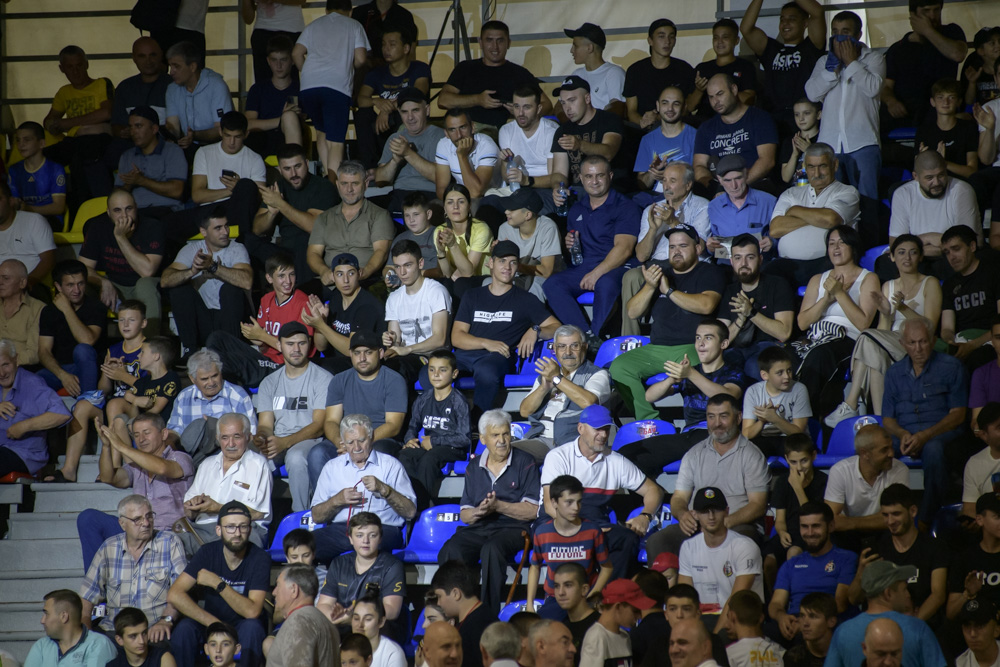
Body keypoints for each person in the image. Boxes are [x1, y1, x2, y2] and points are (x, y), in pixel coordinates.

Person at [610, 225, 726, 420]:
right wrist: (650, 286)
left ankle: (700, 422)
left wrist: (669, 292)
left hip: (692, 347)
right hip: (656, 349)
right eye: (672, 247)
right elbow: (632, 312)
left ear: (698, 248)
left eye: (683, 246)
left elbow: (706, 305)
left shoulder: (709, 272)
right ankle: (648, 421)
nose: (676, 251)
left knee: (705, 367)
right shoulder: (661, 273)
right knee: (619, 367)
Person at [826, 235, 943, 425]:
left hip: (916, 343)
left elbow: (929, 328)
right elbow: (882, 331)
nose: (907, 257)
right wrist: (887, 313)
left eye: (913, 252)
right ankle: (882, 419)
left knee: (866, 336)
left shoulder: (930, 283)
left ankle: (851, 402)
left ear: (921, 256)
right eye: (901, 252)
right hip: (891, 343)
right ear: (893, 257)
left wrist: (903, 308)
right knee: (873, 353)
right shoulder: (888, 285)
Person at [540, 404, 664, 578]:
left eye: (606, 429)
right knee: (580, 543)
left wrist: (645, 516)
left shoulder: (615, 461)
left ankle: (610, 592)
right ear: (581, 428)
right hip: (558, 521)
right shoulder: (559, 456)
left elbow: (653, 490)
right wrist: (586, 529)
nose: (604, 435)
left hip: (596, 522)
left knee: (626, 539)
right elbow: (549, 506)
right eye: (597, 429)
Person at [438, 409, 540, 611]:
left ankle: (487, 612)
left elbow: (532, 510)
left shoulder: (525, 462)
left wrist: (498, 506)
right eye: (495, 435)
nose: (502, 440)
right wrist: (478, 511)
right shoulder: (473, 466)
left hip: (514, 528)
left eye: (505, 434)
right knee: (451, 549)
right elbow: (465, 514)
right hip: (480, 525)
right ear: (483, 439)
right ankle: (455, 609)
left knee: (491, 549)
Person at [645, 395, 769, 561]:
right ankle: (672, 579)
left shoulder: (752, 456)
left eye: (723, 416)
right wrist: (682, 514)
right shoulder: (694, 454)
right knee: (658, 541)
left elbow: (758, 505)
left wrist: (724, 523)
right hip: (698, 526)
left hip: (738, 526)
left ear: (738, 417)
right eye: (711, 417)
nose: (717, 423)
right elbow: (679, 498)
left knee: (740, 542)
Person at [620, 319, 746, 477]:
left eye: (708, 338)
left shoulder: (733, 372)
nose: (700, 343)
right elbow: (649, 396)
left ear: (724, 344)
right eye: (698, 337)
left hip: (718, 435)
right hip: (690, 435)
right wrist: (670, 380)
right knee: (629, 454)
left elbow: (727, 396)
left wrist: (691, 374)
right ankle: (654, 491)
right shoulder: (690, 372)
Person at [452, 241, 560, 414]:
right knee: (432, 370)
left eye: (513, 262)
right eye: (502, 261)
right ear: (491, 263)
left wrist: (536, 330)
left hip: (497, 359)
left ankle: (478, 422)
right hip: (466, 355)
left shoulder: (526, 299)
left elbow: (556, 327)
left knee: (486, 371)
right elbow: (457, 337)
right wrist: (486, 343)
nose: (507, 267)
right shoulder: (472, 296)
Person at [883, 317, 966, 523]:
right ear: (903, 344)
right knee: (876, 448)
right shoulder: (894, 373)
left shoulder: (952, 367)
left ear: (933, 340)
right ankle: (881, 514)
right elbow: (888, 419)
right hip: (905, 433)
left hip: (939, 432)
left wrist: (925, 435)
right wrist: (903, 434)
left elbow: (958, 414)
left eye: (923, 341)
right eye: (912, 343)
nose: (918, 349)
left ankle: (926, 519)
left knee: (933, 450)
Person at [167, 501, 271, 667]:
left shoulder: (259, 558)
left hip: (242, 625)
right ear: (218, 530)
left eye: (243, 527)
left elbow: (252, 611)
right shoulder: (208, 552)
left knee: (253, 628)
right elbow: (174, 594)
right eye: (230, 527)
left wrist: (218, 583)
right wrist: (215, 624)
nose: (237, 533)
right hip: (211, 622)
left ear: (250, 530)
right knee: (184, 629)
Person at [545, 154, 636, 342]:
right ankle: (586, 336)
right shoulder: (577, 208)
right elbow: (575, 251)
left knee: (606, 283)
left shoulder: (625, 207)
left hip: (616, 266)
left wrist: (596, 274)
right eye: (588, 176)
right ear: (580, 178)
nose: (594, 181)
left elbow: (624, 249)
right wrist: (569, 245)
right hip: (584, 267)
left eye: (599, 176)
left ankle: (595, 334)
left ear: (610, 176)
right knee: (552, 284)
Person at [83, 410, 191, 567]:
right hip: (136, 530)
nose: (141, 439)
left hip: (167, 533)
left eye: (146, 433)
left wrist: (121, 446)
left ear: (163, 434)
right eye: (136, 435)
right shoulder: (136, 466)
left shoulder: (180, 458)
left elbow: (162, 468)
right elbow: (108, 477)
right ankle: (97, 579)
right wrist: (106, 446)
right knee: (89, 518)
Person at [790, 224, 877, 417]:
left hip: (848, 339)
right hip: (816, 336)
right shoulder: (817, 279)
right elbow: (802, 323)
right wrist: (825, 300)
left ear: (853, 247)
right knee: (785, 356)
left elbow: (863, 324)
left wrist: (839, 293)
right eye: (831, 243)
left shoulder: (868, 278)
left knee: (819, 357)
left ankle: (804, 417)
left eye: (842, 243)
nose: (836, 248)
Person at [309, 413, 417, 563]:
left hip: (381, 528)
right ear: (343, 443)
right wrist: (337, 500)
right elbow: (316, 516)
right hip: (342, 529)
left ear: (371, 438)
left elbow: (410, 512)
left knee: (364, 541)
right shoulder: (332, 467)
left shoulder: (391, 465)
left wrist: (385, 490)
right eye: (350, 442)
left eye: (361, 440)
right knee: (306, 544)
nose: (356, 447)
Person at [79, 494, 187, 639]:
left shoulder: (169, 542)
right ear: (122, 524)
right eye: (137, 519)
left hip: (154, 630)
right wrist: (85, 635)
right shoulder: (109, 547)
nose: (146, 523)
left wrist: (165, 620)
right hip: (115, 631)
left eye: (149, 516)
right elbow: (87, 596)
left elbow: (181, 591)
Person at [804, 11, 885, 203]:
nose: (839, 37)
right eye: (835, 32)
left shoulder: (874, 59)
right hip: (830, 143)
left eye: (845, 32)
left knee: (867, 201)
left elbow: (873, 88)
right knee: (831, 200)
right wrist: (832, 70)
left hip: (863, 142)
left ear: (858, 35)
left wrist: (851, 63)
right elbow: (812, 93)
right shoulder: (824, 61)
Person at [621, 163, 710, 335]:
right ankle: (631, 339)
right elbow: (641, 256)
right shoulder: (652, 209)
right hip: (657, 265)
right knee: (631, 276)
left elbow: (699, 246)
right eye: (664, 181)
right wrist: (653, 229)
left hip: (688, 264)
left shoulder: (702, 206)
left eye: (673, 181)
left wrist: (673, 222)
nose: (666, 186)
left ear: (688, 185)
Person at [254, 322, 332, 512]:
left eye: (301, 343)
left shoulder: (323, 378)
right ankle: (254, 517)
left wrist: (285, 442)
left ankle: (302, 516)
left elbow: (319, 425)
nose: (296, 349)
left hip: (309, 439)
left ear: (309, 344)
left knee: (296, 458)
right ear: (279, 345)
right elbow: (265, 424)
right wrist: (262, 438)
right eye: (290, 344)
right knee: (250, 456)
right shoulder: (269, 382)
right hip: (278, 439)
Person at [206, 252, 314, 388]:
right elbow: (263, 346)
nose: (288, 281)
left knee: (227, 361)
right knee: (217, 338)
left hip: (282, 365)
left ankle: (227, 389)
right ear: (269, 278)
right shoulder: (266, 299)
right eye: (281, 276)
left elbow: (299, 350)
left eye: (291, 274)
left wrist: (261, 336)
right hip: (265, 358)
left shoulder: (304, 303)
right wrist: (256, 338)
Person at [309, 333, 407, 476]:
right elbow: (331, 421)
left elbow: (393, 426)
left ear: (380, 353)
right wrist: (341, 442)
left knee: (379, 451)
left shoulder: (394, 380)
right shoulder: (339, 380)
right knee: (317, 453)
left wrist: (359, 444)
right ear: (350, 354)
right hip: (346, 439)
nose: (362, 358)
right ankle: (326, 492)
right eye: (357, 353)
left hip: (379, 439)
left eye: (368, 352)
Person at [848, 484, 947, 625]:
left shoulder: (934, 547)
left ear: (913, 511)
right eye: (885, 515)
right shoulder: (876, 549)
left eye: (896, 514)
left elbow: (938, 595)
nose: (890, 521)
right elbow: (854, 599)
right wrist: (860, 574)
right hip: (879, 629)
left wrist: (909, 626)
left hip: (919, 626)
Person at [766, 144, 861, 288]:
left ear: (834, 165)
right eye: (811, 167)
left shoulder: (847, 192)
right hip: (788, 264)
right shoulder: (790, 194)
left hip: (826, 262)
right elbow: (775, 228)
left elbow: (830, 219)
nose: (816, 174)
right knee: (767, 274)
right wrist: (818, 215)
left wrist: (794, 210)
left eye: (822, 166)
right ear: (805, 167)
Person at [293, 0, 369, 178]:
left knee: (321, 132)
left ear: (326, 10)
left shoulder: (313, 25)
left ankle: (328, 177)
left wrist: (309, 73)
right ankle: (333, 184)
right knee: (336, 141)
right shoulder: (354, 25)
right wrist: (347, 67)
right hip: (336, 87)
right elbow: (361, 59)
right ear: (350, 11)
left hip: (309, 87)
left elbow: (296, 53)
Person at [161, 207, 253, 355]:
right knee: (179, 290)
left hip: (231, 321)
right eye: (218, 228)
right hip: (204, 321)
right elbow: (165, 280)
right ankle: (189, 350)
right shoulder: (191, 249)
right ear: (203, 231)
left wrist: (213, 267)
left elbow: (246, 281)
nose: (225, 232)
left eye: (226, 226)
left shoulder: (237, 248)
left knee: (230, 289)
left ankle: (232, 352)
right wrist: (192, 272)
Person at [516, 324, 611, 463]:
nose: (568, 352)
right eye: (562, 346)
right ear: (554, 350)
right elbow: (525, 411)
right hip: (542, 439)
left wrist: (557, 379)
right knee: (505, 454)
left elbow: (589, 403)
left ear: (584, 347)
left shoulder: (597, 374)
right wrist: (543, 388)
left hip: (574, 442)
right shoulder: (547, 374)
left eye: (574, 346)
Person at [168, 110, 266, 244]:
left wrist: (241, 188)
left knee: (247, 186)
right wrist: (233, 190)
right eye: (227, 135)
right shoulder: (204, 152)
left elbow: (259, 197)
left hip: (238, 209)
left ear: (246, 134)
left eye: (237, 137)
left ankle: (244, 243)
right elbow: (197, 195)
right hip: (210, 210)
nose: (232, 142)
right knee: (170, 222)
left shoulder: (255, 159)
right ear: (220, 132)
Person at [825, 561, 946, 667]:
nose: (908, 595)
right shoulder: (918, 628)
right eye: (904, 589)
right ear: (888, 593)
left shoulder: (843, 631)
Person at [79, 190, 165, 335]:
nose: (124, 216)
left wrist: (120, 237)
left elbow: (147, 272)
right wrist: (103, 282)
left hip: (146, 285)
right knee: (81, 285)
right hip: (114, 284)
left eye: (129, 209)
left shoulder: (152, 226)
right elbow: (83, 268)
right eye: (117, 210)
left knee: (144, 284)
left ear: (136, 208)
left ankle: (149, 344)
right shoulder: (97, 226)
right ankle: (88, 340)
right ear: (108, 212)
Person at [438, 20, 552, 130]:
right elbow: (443, 101)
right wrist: (478, 99)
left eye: (500, 41)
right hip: (466, 133)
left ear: (508, 43)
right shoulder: (465, 68)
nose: (495, 47)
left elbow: (546, 104)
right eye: (489, 40)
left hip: (503, 134)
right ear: (480, 42)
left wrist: (522, 113)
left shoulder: (520, 73)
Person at [677, 487, 765, 629]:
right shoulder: (688, 547)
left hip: (738, 620)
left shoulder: (744, 546)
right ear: (695, 514)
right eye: (705, 511)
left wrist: (716, 636)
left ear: (727, 511)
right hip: (702, 618)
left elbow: (736, 600)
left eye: (716, 510)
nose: (711, 516)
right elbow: (686, 598)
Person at [250, 143, 339, 283]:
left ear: (307, 164)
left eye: (298, 166)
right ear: (280, 169)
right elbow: (257, 229)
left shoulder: (323, 187)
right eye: (287, 169)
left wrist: (280, 204)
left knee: (303, 240)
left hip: (314, 249)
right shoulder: (278, 188)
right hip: (285, 252)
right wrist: (271, 214)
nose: (293, 174)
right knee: (247, 239)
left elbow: (314, 226)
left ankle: (303, 291)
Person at [526, 474, 612, 618]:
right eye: (569, 502)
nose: (576, 508)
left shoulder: (592, 530)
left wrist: (593, 595)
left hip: (586, 597)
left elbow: (607, 567)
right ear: (554, 502)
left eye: (579, 502)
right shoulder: (542, 533)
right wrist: (529, 605)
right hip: (556, 598)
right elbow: (535, 567)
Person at [181, 414, 271, 550]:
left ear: (248, 437)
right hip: (203, 530)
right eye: (225, 438)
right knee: (173, 541)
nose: (231, 444)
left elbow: (259, 513)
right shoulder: (207, 464)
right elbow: (189, 512)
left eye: (237, 437)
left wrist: (217, 508)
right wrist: (193, 506)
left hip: (242, 529)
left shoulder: (258, 464)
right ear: (217, 439)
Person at [768, 502, 856, 640]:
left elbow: (840, 604)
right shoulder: (791, 564)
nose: (809, 533)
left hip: (828, 623)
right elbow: (776, 603)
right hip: (794, 621)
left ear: (830, 526)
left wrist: (805, 623)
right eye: (804, 526)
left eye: (816, 526)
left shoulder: (846, 559)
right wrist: (782, 617)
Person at [42, 46, 114, 210]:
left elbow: (106, 113)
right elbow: (48, 121)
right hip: (74, 142)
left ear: (87, 64)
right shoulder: (64, 92)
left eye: (79, 65)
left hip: (96, 141)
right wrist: (54, 125)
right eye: (70, 67)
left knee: (80, 158)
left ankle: (86, 208)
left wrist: (67, 123)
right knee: (41, 157)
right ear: (62, 69)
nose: (75, 71)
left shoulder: (101, 83)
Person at [739, 0, 827, 134]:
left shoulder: (811, 47)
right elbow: (746, 29)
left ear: (805, 23)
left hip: (802, 118)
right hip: (772, 118)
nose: (785, 23)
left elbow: (817, 12)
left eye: (792, 19)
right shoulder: (771, 49)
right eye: (782, 19)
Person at [476, 85, 559, 225]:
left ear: (538, 108)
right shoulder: (506, 130)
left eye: (527, 107)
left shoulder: (551, 131)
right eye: (516, 107)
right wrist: (505, 162)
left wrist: (527, 180)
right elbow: (506, 177)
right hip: (516, 189)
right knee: (488, 205)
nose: (520, 113)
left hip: (543, 189)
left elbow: (555, 177)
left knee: (533, 210)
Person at [881, 0, 968, 131]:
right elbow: (886, 86)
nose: (932, 16)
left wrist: (927, 30)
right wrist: (891, 101)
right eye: (926, 11)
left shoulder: (951, 32)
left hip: (941, 111)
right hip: (906, 113)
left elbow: (958, 54)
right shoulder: (898, 49)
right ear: (913, 15)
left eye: (936, 10)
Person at [399, 349, 470, 506]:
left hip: (452, 449)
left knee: (429, 459)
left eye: (442, 370)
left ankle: (422, 504)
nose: (436, 374)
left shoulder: (458, 401)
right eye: (432, 370)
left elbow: (464, 438)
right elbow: (412, 426)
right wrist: (410, 439)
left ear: (454, 373)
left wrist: (435, 441)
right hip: (429, 446)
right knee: (405, 455)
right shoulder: (423, 399)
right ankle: (408, 498)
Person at [308, 161, 394, 291]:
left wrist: (365, 271)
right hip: (330, 281)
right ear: (337, 184)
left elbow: (381, 251)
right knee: (301, 296)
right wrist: (323, 271)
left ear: (365, 184)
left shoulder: (379, 215)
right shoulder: (324, 218)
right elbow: (313, 252)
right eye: (344, 184)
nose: (349, 189)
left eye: (355, 183)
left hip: (365, 282)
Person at [317, 512, 406, 635]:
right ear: (350, 539)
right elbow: (323, 604)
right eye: (359, 535)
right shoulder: (339, 563)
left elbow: (392, 611)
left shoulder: (392, 565)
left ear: (380, 538)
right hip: (342, 625)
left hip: (376, 630)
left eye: (372, 535)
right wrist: (335, 616)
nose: (365, 541)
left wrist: (355, 618)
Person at [888, 151, 980, 269]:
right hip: (917, 260)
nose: (936, 183)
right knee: (887, 263)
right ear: (915, 176)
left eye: (941, 175)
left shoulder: (962, 190)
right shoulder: (902, 194)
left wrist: (916, 245)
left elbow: (965, 244)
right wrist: (934, 240)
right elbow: (897, 245)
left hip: (950, 259)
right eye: (929, 178)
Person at [355, 27, 431, 169]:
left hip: (408, 125)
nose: (386, 49)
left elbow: (417, 94)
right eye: (384, 44)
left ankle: (400, 164)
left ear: (406, 48)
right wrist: (376, 101)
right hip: (383, 128)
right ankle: (370, 168)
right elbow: (361, 99)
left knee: (402, 112)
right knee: (363, 114)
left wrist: (386, 110)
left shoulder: (419, 68)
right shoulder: (376, 73)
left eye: (392, 44)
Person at [824, 424, 910, 546]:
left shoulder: (899, 469)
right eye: (884, 450)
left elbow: (896, 517)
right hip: (849, 536)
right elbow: (831, 520)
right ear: (864, 453)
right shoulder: (840, 471)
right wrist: (875, 520)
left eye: (891, 447)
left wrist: (850, 523)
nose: (891, 454)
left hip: (884, 533)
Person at [382, 239, 452, 386]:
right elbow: (395, 341)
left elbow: (439, 339)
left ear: (420, 263)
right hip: (407, 356)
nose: (402, 272)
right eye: (397, 267)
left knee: (398, 370)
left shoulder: (436, 291)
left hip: (432, 355)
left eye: (408, 265)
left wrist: (407, 349)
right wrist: (390, 340)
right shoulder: (394, 298)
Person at [302, 253, 386, 375]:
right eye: (340, 274)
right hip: (336, 360)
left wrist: (321, 325)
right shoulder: (336, 298)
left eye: (351, 273)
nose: (345, 280)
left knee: (317, 369)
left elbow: (353, 349)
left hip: (361, 363)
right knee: (302, 365)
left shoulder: (367, 306)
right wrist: (322, 320)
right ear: (333, 276)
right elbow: (321, 346)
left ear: (359, 274)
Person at [0, 338, 72, 478]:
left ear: (16, 360)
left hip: (24, 453)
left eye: (5, 365)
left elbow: (61, 414)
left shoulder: (32, 383)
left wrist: (24, 426)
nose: (1, 373)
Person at [692, 74, 778, 191]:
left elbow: (767, 161)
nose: (715, 101)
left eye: (720, 94)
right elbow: (699, 166)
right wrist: (713, 187)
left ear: (734, 89)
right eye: (711, 97)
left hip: (755, 187)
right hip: (718, 191)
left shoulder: (760, 118)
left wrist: (735, 188)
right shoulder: (706, 128)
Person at [36, 259, 105, 397]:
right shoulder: (49, 311)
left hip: (91, 367)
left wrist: (67, 309)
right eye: (70, 285)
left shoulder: (96, 307)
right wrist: (63, 376)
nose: (77, 290)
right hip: (62, 370)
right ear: (58, 286)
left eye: (81, 283)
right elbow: (44, 351)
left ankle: (89, 402)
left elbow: (87, 341)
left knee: (82, 350)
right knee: (34, 380)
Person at [165, 348, 258, 450]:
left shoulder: (238, 396)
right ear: (192, 379)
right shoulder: (184, 397)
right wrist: (167, 444)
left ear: (220, 372)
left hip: (229, 453)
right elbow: (175, 430)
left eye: (215, 376)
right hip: (191, 455)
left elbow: (251, 434)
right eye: (204, 379)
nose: (211, 383)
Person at [764, 435, 827, 580]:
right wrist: (781, 532)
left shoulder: (823, 481)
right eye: (793, 462)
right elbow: (780, 519)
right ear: (786, 459)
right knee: (768, 562)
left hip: (811, 532)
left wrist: (798, 487)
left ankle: (793, 592)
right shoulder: (782, 482)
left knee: (793, 554)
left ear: (813, 456)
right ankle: (774, 593)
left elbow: (812, 517)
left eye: (804, 461)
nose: (799, 467)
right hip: (789, 532)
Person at [373, 88, 446, 215]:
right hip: (400, 194)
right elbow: (380, 180)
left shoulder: (441, 137)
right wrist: (395, 160)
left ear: (427, 110)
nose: (410, 117)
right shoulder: (395, 138)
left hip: (430, 195)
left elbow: (441, 178)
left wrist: (408, 153)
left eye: (415, 110)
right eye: (404, 112)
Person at [940, 225, 1000, 371]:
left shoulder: (994, 274)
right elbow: (947, 327)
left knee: (975, 360)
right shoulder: (949, 284)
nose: (951, 257)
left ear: (972, 246)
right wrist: (951, 343)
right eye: (947, 252)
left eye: (956, 249)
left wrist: (972, 345)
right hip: (960, 340)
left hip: (988, 340)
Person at [550, 76, 623, 189]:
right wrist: (558, 188)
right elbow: (559, 172)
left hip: (609, 189)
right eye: (563, 103)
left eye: (572, 100)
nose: (567, 108)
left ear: (587, 98)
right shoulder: (563, 130)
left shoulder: (609, 120)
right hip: (578, 191)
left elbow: (608, 153)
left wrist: (580, 145)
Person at [115, 106, 188, 217]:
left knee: (147, 223)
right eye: (130, 127)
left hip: (165, 211)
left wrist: (142, 180)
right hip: (133, 212)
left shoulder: (172, 151)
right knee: (94, 223)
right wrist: (128, 185)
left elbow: (177, 191)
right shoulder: (127, 156)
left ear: (154, 129)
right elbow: (116, 196)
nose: (133, 132)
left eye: (138, 126)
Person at [741, 345, 812, 457]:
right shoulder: (753, 391)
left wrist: (774, 418)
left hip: (792, 440)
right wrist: (762, 421)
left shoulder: (799, 389)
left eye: (789, 370)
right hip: (764, 438)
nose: (787, 376)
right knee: (747, 450)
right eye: (780, 373)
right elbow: (746, 434)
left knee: (796, 448)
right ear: (765, 375)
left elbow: (798, 433)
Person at [624, 19, 695, 132]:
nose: (667, 41)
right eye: (661, 36)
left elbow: (688, 108)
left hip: (676, 128)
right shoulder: (635, 71)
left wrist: (658, 118)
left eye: (671, 37)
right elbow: (631, 111)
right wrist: (644, 122)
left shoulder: (684, 69)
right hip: (643, 129)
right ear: (650, 40)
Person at [704, 158, 777, 266]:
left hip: (760, 266)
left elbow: (781, 239)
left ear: (746, 174)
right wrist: (710, 247)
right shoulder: (714, 206)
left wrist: (772, 243)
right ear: (719, 180)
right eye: (727, 180)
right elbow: (713, 243)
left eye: (738, 178)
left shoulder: (768, 202)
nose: (734, 186)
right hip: (726, 267)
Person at [638, 583, 731, 667]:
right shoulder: (658, 644)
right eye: (673, 609)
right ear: (666, 614)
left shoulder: (713, 641)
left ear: (698, 614)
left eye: (686, 609)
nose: (679, 615)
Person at [494, 188, 563, 300]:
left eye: (512, 209)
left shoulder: (548, 228)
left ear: (528, 215)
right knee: (490, 283)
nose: (506, 212)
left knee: (537, 286)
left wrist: (515, 266)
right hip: (515, 275)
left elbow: (546, 271)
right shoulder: (504, 228)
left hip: (545, 278)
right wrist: (495, 255)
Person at [633, 87, 697, 206]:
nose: (670, 108)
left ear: (684, 107)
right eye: (665, 103)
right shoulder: (648, 139)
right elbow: (642, 184)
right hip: (653, 199)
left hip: (683, 198)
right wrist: (653, 173)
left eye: (676, 104)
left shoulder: (695, 136)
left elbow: (700, 176)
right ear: (658, 106)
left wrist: (672, 176)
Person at [164, 41, 232, 152]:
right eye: (170, 66)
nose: (171, 72)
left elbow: (222, 129)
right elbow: (173, 127)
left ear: (192, 67)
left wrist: (195, 135)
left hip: (218, 148)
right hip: (187, 147)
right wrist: (169, 136)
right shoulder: (172, 89)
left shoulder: (216, 85)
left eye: (176, 66)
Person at [265, 564, 339, 667]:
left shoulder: (298, 622)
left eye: (278, 585)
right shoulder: (328, 624)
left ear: (294, 590)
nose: (274, 592)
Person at [23, 589, 117, 667]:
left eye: (46, 614)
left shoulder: (98, 644)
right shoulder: (41, 646)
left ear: (64, 616)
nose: (42, 621)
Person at [244, 36, 303, 159]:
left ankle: (294, 164)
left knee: (290, 117)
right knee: (289, 117)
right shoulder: (258, 89)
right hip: (262, 142)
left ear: (292, 61)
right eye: (274, 60)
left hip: (288, 139)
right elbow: (248, 124)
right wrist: (282, 120)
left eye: (283, 60)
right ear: (268, 61)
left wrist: (298, 116)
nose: (278, 65)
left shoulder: (301, 89)